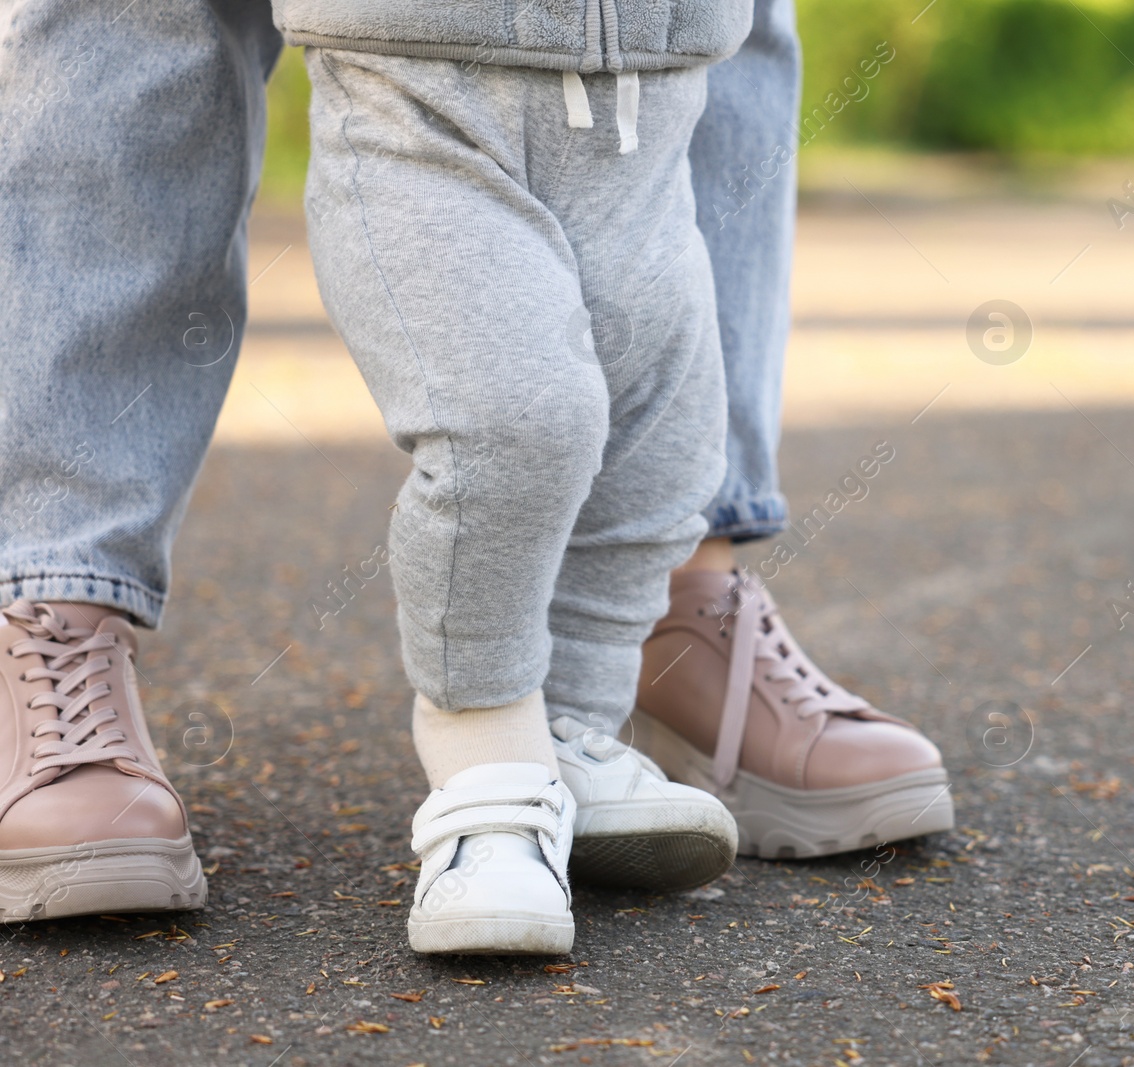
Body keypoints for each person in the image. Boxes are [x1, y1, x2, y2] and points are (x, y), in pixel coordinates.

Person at [0, 0, 951, 936]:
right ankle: (61, 600)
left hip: (650, 76)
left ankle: (617, 673)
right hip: (417, 78)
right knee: (517, 416)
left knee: (662, 436)